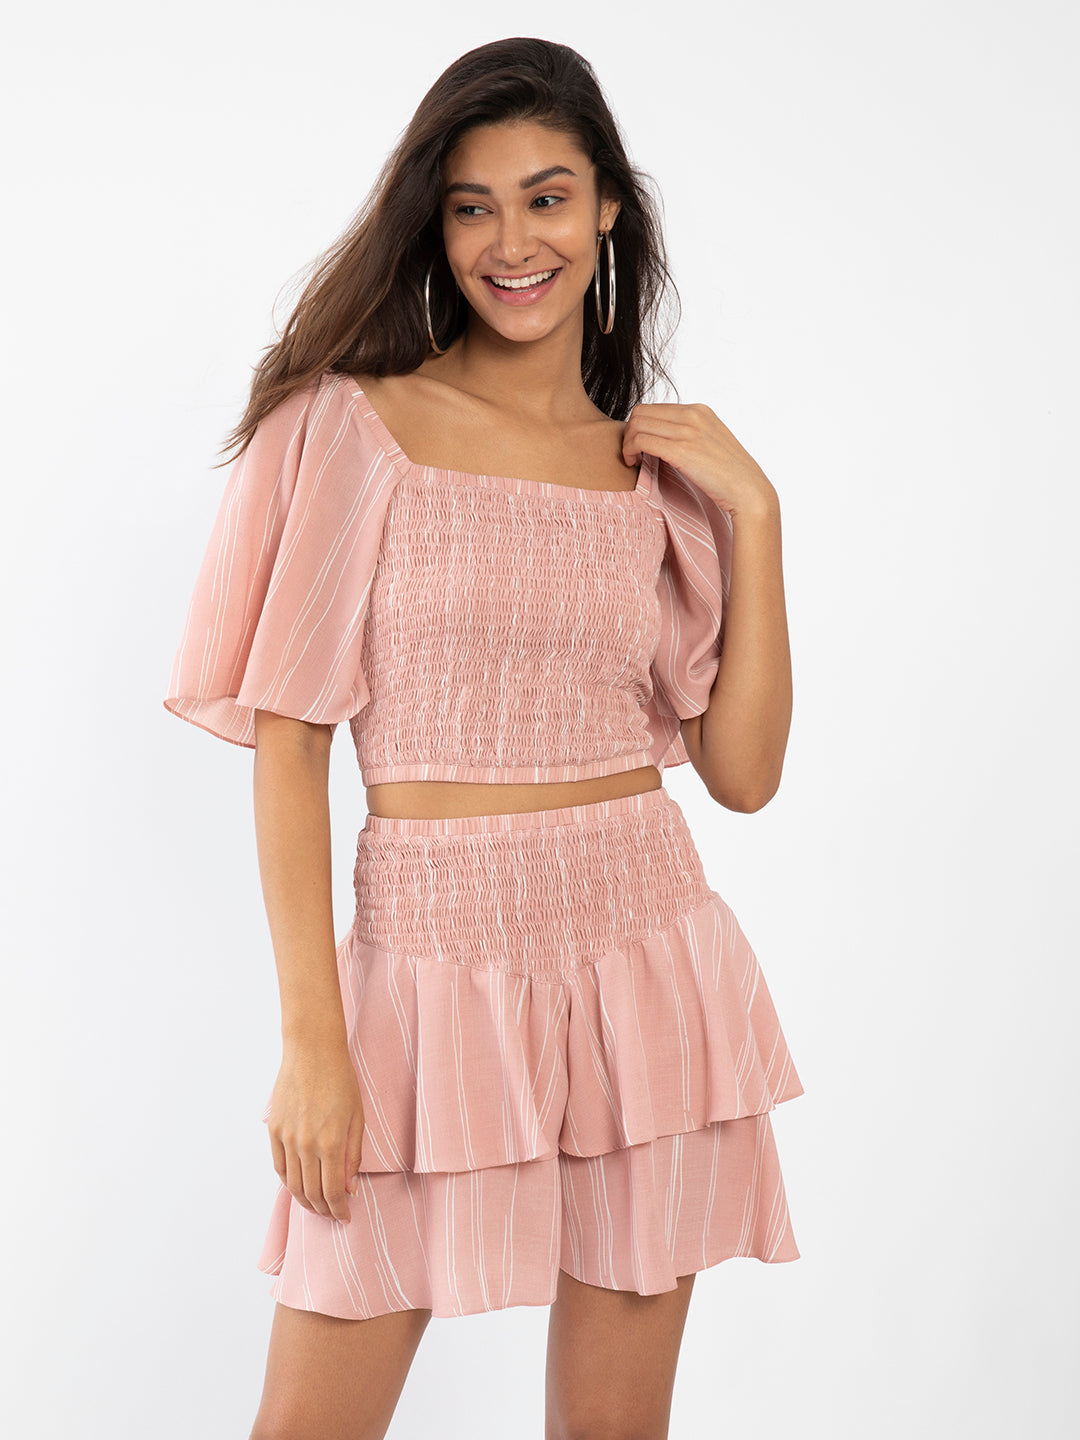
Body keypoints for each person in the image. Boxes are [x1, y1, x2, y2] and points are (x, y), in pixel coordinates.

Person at [164, 35, 805, 1440]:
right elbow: (292, 745)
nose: (513, 243)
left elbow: (745, 775)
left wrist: (756, 518)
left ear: (609, 208)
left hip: (648, 960)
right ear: (436, 224)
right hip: (424, 970)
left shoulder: (655, 471)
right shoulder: (353, 426)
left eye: (548, 197)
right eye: (473, 207)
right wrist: (313, 1043)